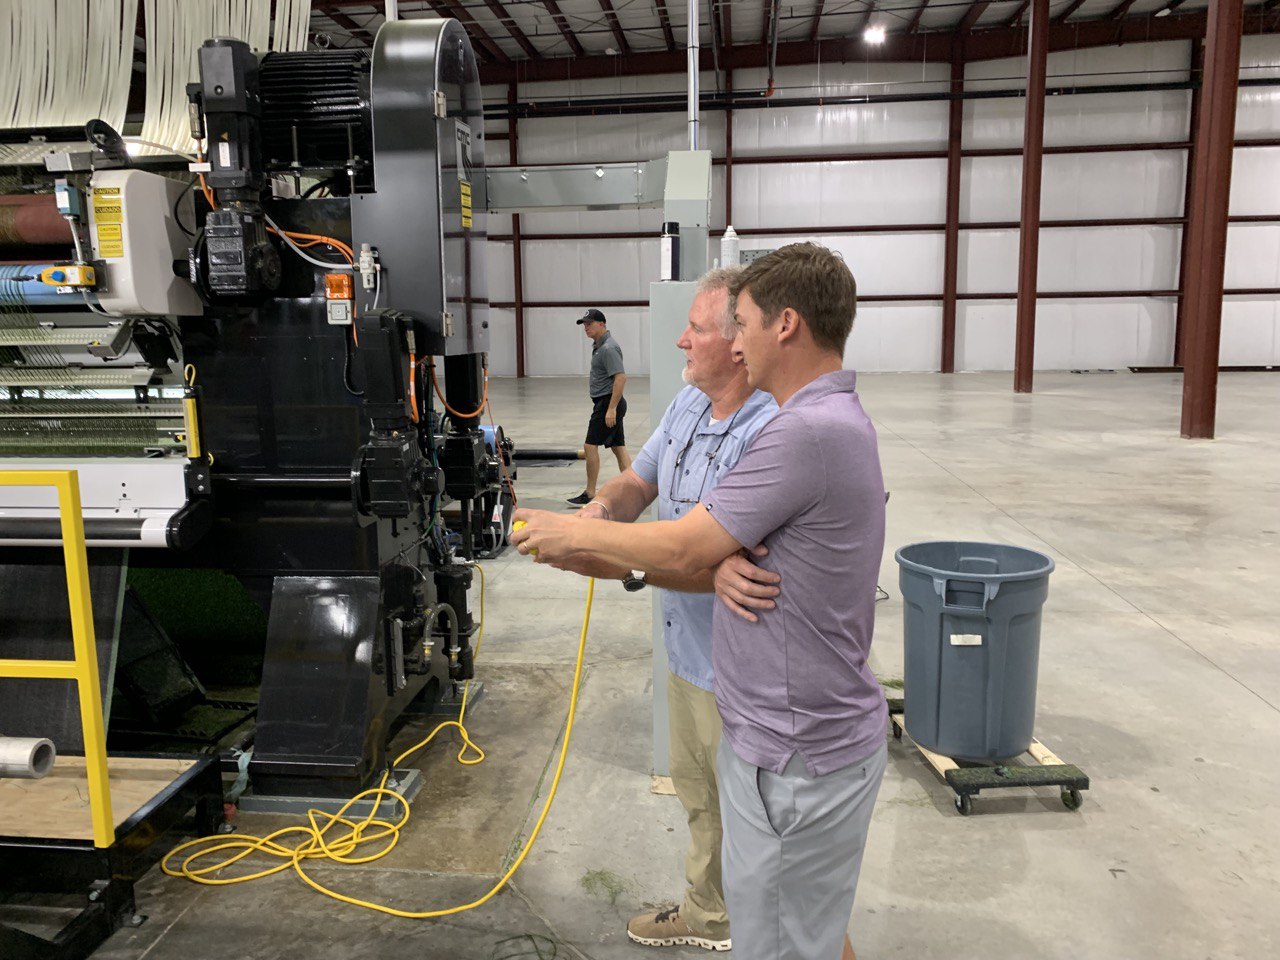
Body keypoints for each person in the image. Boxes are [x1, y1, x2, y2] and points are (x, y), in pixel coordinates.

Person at [513, 242, 888, 960]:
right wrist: (611, 522)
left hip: (793, 745)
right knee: (796, 918)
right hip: (774, 718)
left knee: (780, 935)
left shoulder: (797, 431)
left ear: (784, 325)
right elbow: (679, 527)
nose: (728, 342)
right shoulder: (813, 420)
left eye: (736, 322)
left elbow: (687, 550)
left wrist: (571, 537)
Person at [561, 268, 777, 951]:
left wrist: (599, 549)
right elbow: (637, 482)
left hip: (745, 667)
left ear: (738, 344)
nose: (680, 340)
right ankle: (710, 914)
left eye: (697, 329)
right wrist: (601, 512)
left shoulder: (769, 431)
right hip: (687, 650)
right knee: (698, 795)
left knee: (752, 809)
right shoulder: (688, 403)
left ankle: (767, 927)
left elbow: (695, 560)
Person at [568, 308, 633, 506]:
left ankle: (589, 493)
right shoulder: (599, 346)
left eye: (589, 324)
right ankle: (634, 489)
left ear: (602, 324)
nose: (586, 328)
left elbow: (620, 377)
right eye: (584, 324)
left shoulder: (608, 348)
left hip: (607, 403)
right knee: (618, 447)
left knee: (590, 446)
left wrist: (611, 408)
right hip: (606, 402)